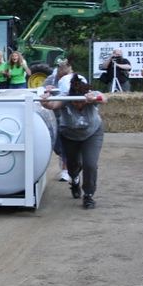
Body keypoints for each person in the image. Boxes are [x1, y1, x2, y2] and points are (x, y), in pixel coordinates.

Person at [41, 75, 106, 209]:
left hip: (92, 133)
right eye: (75, 102)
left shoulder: (91, 95)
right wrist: (45, 101)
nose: (78, 105)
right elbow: (52, 105)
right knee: (73, 164)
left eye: (80, 102)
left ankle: (88, 195)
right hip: (69, 135)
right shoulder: (65, 98)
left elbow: (105, 98)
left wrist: (94, 98)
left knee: (90, 164)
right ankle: (75, 180)